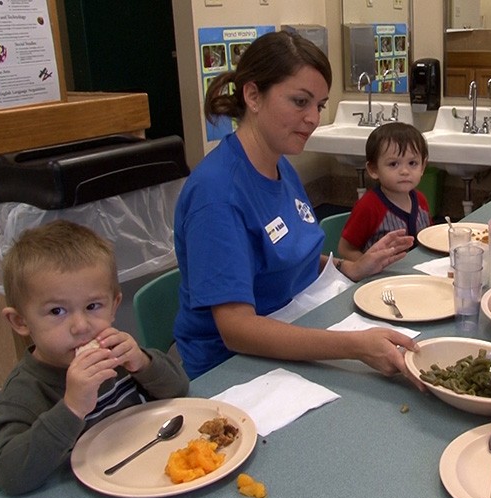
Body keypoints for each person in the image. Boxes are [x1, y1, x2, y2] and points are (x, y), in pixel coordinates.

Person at [174, 31, 420, 381]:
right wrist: (353, 346)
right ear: (253, 95)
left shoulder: (279, 165)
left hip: (294, 319)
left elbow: (280, 256)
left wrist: (351, 267)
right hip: (230, 370)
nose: (313, 119)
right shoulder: (217, 195)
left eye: (318, 105)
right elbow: (237, 329)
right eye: (300, 102)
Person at [0, 220, 189, 495]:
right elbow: (9, 474)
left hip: (150, 474)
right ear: (20, 321)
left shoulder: (116, 355)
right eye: (57, 311)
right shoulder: (25, 390)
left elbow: (179, 388)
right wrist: (72, 407)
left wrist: (142, 362)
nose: (81, 326)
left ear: (114, 305)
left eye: (93, 306)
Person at [339, 122, 431, 260]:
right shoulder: (368, 207)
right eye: (393, 164)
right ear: (373, 169)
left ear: (423, 167)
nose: (405, 171)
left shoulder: (421, 201)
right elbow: (345, 249)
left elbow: (427, 239)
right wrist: (368, 266)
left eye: (412, 163)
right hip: (380, 278)